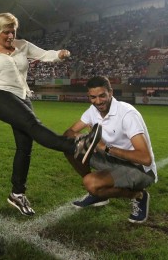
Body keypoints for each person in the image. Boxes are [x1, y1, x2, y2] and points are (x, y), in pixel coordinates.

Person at [0, 12, 101, 216]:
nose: (10, 36)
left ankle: (17, 193)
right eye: (6, 32)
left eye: (13, 32)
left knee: (25, 147)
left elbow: (44, 55)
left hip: (22, 97)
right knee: (33, 125)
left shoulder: (23, 45)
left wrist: (59, 54)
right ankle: (75, 145)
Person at [63, 76, 158, 223]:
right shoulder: (92, 110)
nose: (98, 101)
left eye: (102, 96)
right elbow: (68, 133)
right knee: (69, 146)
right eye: (93, 97)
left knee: (91, 183)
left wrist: (106, 148)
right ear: (89, 96)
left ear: (111, 93)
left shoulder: (127, 114)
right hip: (114, 161)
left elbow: (145, 158)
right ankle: (97, 193)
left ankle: (138, 195)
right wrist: (82, 138)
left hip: (140, 169)